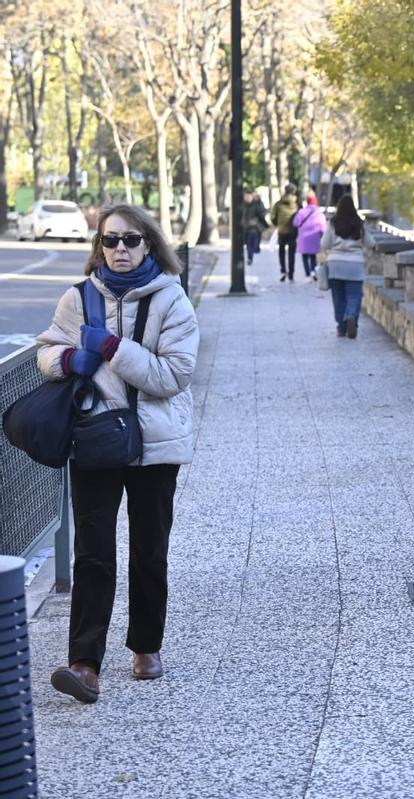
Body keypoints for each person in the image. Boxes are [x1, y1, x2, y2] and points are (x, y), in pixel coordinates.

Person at [35, 203, 199, 704]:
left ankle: (146, 647)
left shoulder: (172, 300)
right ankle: (84, 664)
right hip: (97, 439)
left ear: (148, 243)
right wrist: (67, 358)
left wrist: (111, 348)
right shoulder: (77, 297)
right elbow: (45, 352)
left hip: (155, 443)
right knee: (92, 554)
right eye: (110, 241)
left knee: (149, 549)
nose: (120, 250)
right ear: (98, 247)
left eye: (130, 240)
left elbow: (173, 375)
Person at [318, 195, 365, 338]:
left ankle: (341, 327)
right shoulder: (359, 223)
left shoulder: (333, 224)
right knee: (354, 295)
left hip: (336, 264)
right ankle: (351, 316)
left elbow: (324, 244)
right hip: (355, 265)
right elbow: (371, 242)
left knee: (338, 297)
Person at [293, 193, 326, 280]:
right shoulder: (319, 213)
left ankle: (307, 273)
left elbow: (296, 223)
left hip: (304, 238)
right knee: (313, 256)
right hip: (315, 237)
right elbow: (323, 227)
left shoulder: (302, 211)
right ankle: (314, 271)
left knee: (304, 256)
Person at [269, 183, 298, 282]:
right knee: (291, 253)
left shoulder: (278, 204)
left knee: (281, 251)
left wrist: (278, 224)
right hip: (293, 231)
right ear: (294, 192)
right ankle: (291, 273)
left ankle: (283, 271)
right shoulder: (297, 203)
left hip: (282, 231)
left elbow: (272, 217)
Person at [241, 190, 269, 266]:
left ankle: (250, 257)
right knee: (247, 244)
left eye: (249, 196)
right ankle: (253, 252)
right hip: (244, 228)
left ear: (252, 196)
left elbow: (262, 214)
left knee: (250, 243)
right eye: (246, 196)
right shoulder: (241, 204)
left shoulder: (257, 204)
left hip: (253, 228)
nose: (247, 198)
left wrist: (265, 225)